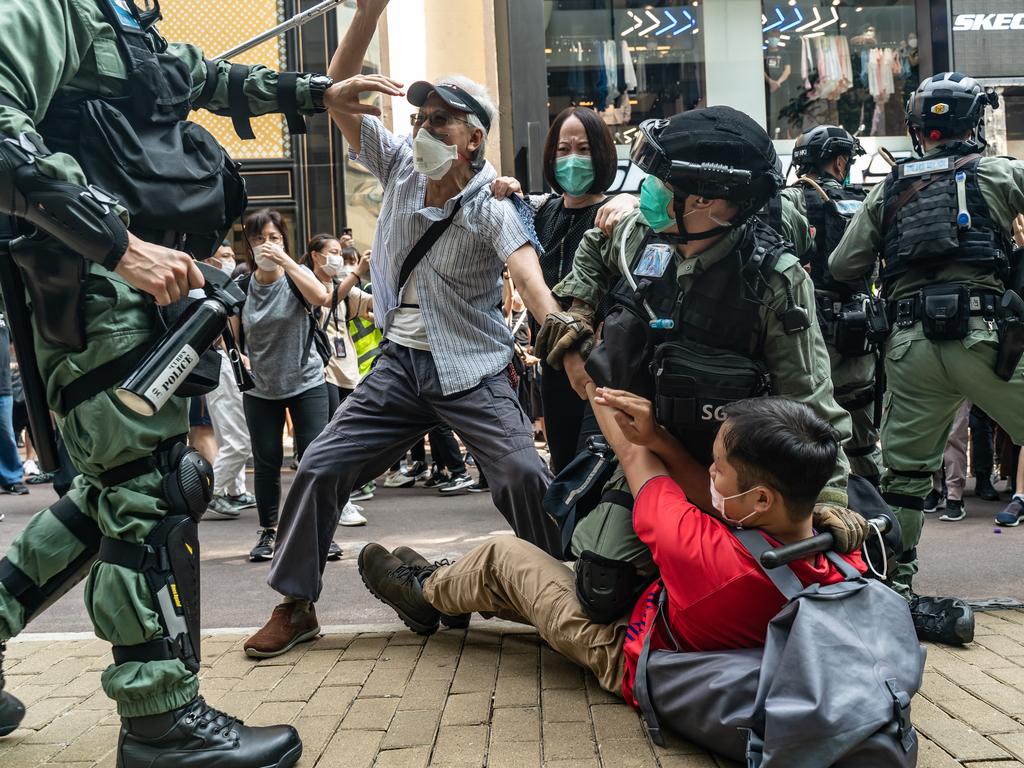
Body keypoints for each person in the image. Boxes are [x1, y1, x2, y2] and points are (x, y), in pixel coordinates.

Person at [0, 0, 339, 761]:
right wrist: (118, 245)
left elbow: (208, 76)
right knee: (151, 492)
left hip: (143, 293)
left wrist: (318, 94)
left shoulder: (118, 21)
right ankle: (162, 724)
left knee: (109, 492)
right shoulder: (45, 9)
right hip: (99, 291)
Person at [243, 0, 569, 659]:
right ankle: (296, 603)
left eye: (439, 120)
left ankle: (561, 595)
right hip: (399, 366)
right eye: (419, 118)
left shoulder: (493, 203)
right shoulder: (397, 168)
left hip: (474, 368)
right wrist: (367, 13)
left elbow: (529, 278)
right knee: (319, 465)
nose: (421, 128)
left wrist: (557, 325)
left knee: (521, 476)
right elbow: (337, 98)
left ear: (473, 138)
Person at [533, 107, 866, 624]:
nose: (650, 192)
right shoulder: (645, 236)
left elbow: (810, 402)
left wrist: (825, 500)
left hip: (731, 471)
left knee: (769, 583)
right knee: (603, 584)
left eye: (664, 183)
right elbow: (597, 246)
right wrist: (578, 309)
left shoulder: (776, 283)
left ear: (709, 201)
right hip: (647, 448)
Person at [357, 395, 864, 712]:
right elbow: (702, 488)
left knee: (503, 555)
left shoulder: (699, 553)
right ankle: (450, 591)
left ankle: (421, 593)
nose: (709, 474)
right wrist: (669, 437)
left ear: (759, 499)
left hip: (627, 653)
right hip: (690, 627)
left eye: (719, 470)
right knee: (549, 579)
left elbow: (633, 453)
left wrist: (590, 375)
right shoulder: (838, 550)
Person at [829, 71, 1024, 645]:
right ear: (974, 125)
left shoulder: (887, 188)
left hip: (910, 346)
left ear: (918, 130)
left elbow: (844, 265)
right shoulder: (998, 172)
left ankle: (896, 589)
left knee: (907, 477)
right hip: (988, 341)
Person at [490, 107, 634, 474]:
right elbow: (516, 209)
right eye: (563, 150)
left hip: (603, 363)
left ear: (602, 153)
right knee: (564, 463)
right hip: (553, 362)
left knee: (601, 464)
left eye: (584, 149)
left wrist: (630, 199)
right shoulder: (542, 213)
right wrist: (510, 189)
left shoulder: (618, 216)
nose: (572, 159)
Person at [236, 210, 344, 559]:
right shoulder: (240, 286)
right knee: (266, 461)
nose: (266, 245)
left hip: (306, 380)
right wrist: (241, 357)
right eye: (258, 239)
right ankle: (269, 532)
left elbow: (322, 298)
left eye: (274, 238)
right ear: (248, 246)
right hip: (260, 388)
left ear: (284, 241)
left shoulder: (298, 278)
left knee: (314, 458)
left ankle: (318, 530)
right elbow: (231, 335)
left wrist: (286, 261)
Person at [781, 125, 882, 484]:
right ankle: (883, 520)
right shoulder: (866, 200)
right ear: (840, 161)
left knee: (807, 426)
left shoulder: (788, 200)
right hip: (858, 331)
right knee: (863, 433)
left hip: (808, 328)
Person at [302, 232, 373, 527]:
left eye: (339, 253)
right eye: (332, 253)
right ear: (315, 255)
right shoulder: (306, 282)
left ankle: (342, 498)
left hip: (348, 371)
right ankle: (334, 502)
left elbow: (369, 304)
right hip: (323, 369)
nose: (338, 259)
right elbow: (327, 300)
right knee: (331, 438)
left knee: (349, 437)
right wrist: (356, 273)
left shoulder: (341, 284)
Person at [202, 243, 258, 519]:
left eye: (232, 256)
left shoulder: (220, 288)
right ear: (210, 261)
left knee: (231, 436)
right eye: (224, 256)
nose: (230, 260)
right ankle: (209, 493)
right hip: (222, 365)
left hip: (229, 364)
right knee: (239, 440)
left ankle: (234, 491)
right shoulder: (205, 290)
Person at [923, 402, 970, 521]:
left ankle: (955, 496)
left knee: (955, 435)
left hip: (961, 385)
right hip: (930, 384)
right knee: (929, 433)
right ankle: (934, 489)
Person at [0, 313, 25, 497]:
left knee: (7, 434)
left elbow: (13, 344)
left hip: (4, 384)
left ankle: (12, 479)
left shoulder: (4, 312)